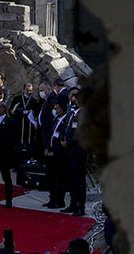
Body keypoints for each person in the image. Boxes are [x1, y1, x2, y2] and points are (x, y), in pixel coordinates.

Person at [63, 87, 87, 215]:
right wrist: (63, 139)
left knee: (79, 180)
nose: (74, 100)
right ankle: (73, 203)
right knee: (71, 179)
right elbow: (66, 129)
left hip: (78, 151)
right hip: (69, 151)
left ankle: (80, 206)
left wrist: (69, 142)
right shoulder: (71, 114)